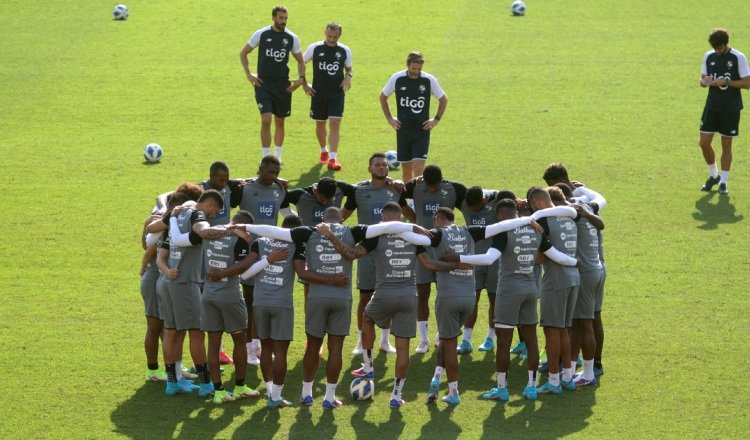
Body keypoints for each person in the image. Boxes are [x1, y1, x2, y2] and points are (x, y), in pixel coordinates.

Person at [240, 207, 423, 408]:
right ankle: (329, 397)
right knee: (335, 348)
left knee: (313, 346)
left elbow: (274, 232)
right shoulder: (352, 232)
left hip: (317, 297)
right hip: (342, 298)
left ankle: (307, 393)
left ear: (323, 219)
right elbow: (386, 227)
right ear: (341, 220)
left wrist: (244, 226)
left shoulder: (310, 232)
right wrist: (412, 226)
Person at [321, 202, 462, 409]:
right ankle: (396, 396)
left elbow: (351, 254)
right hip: (409, 296)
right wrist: (458, 264)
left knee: (367, 318)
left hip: (384, 293)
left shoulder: (377, 235)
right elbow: (429, 265)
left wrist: (331, 236)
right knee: (403, 347)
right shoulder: (412, 237)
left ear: (384, 218)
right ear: (401, 218)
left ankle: (368, 367)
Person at [418, 207, 543, 405]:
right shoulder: (470, 231)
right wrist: (527, 219)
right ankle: (532, 386)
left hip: (451, 297)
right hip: (471, 299)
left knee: (449, 341)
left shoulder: (435, 234)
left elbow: (419, 244)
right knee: (531, 339)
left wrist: (453, 259)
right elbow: (500, 226)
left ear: (436, 219)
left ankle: (454, 391)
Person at [457, 199, 578, 401]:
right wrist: (575, 261)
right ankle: (531, 387)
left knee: (504, 342)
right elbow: (556, 256)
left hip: (509, 291)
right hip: (531, 288)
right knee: (531, 340)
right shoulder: (536, 229)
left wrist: (459, 258)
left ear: (500, 216)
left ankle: (502, 389)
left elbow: (488, 259)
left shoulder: (504, 231)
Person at [162, 190, 242, 398]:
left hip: (169, 280)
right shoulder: (197, 215)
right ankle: (206, 383)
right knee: (196, 333)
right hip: (185, 282)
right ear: (210, 206)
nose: (213, 216)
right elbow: (204, 232)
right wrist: (229, 230)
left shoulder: (177, 215)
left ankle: (173, 381)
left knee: (172, 331)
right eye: (214, 212)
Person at [201, 210, 278, 404]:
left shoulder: (212, 233)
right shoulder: (241, 240)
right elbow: (244, 266)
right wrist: (224, 273)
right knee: (239, 340)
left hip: (208, 294)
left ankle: (218, 391)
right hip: (229, 295)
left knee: (213, 342)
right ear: (244, 226)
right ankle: (240, 387)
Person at [542, 163, 608, 376]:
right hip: (598, 266)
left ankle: (575, 368)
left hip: (585, 271)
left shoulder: (569, 212)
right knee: (592, 318)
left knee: (580, 323)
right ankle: (593, 364)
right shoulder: (586, 205)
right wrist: (585, 189)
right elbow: (601, 208)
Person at [340, 153, 408, 355]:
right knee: (365, 295)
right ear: (369, 168)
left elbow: (410, 216)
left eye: (384, 165)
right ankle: (362, 340)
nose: (381, 168)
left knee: (390, 295)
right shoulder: (359, 191)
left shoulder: (396, 190)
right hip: (367, 253)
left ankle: (385, 341)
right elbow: (343, 216)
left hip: (392, 251)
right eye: (377, 165)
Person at [400, 165, 466, 353]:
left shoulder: (454, 189)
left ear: (440, 181)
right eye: (428, 186)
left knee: (444, 293)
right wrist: (415, 220)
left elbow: (471, 203)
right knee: (422, 294)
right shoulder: (415, 186)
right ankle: (423, 339)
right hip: (422, 247)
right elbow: (398, 196)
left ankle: (441, 334)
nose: (430, 190)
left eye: (434, 187)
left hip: (445, 248)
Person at [235, 155, 291, 366]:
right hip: (248, 250)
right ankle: (249, 348)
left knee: (264, 300)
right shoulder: (244, 189)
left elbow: (287, 215)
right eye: (269, 172)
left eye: (276, 173)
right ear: (260, 169)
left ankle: (258, 345)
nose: (273, 176)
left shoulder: (280, 190)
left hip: (270, 251)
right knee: (249, 301)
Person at [525, 187, 581, 396]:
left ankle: (554, 381)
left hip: (555, 280)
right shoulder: (569, 219)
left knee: (551, 330)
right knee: (564, 329)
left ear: (537, 203)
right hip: (573, 278)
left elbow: (542, 257)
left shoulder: (544, 222)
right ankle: (567, 377)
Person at [244, 214, 302, 409]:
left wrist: (267, 259)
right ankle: (275, 396)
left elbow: (245, 273)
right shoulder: (296, 245)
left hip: (260, 303)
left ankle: (269, 390)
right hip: (282, 304)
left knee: (266, 348)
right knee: (280, 352)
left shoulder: (260, 242)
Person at [240, 5, 312, 160]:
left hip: (282, 86)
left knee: (280, 121)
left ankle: (277, 158)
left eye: (285, 18)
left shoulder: (291, 38)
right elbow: (244, 53)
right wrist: (249, 74)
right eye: (280, 18)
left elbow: (301, 61)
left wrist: (301, 79)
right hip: (263, 84)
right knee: (266, 119)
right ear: (273, 17)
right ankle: (266, 157)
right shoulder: (262, 34)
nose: (283, 21)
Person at [380, 51, 447, 182]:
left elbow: (443, 99)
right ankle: (409, 199)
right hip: (403, 130)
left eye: (419, 69)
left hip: (421, 131)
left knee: (418, 167)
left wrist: (436, 119)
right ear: (408, 65)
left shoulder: (428, 80)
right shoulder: (397, 78)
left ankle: (418, 197)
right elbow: (383, 96)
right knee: (406, 169)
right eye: (413, 68)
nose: (416, 72)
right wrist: (389, 118)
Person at [698, 28, 750, 195]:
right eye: (714, 48)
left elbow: (747, 83)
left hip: (730, 107)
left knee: (726, 144)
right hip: (712, 106)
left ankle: (724, 182)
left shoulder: (738, 57)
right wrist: (704, 81)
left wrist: (726, 81)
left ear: (726, 44)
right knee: (704, 143)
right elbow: (702, 78)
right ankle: (714, 176)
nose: (716, 51)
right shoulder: (709, 56)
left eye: (719, 48)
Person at [301, 23, 353, 171]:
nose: (331, 39)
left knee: (335, 123)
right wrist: (304, 83)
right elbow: (301, 63)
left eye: (335, 37)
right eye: (329, 36)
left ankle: (333, 157)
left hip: (336, 93)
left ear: (339, 36)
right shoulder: (315, 48)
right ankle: (324, 150)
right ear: (325, 32)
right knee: (320, 124)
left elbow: (349, 68)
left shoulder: (344, 51)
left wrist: (348, 76)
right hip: (318, 93)